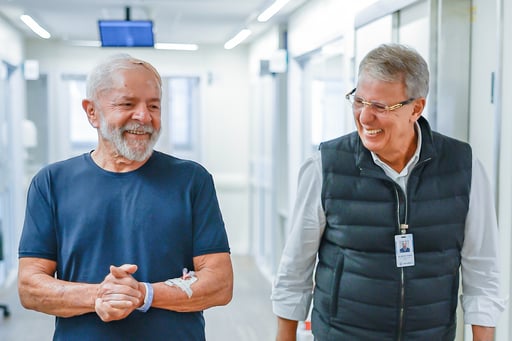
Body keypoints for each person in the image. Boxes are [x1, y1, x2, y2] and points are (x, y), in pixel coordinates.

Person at [271, 43, 504, 341]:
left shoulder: (463, 165)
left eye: (381, 107)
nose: (365, 118)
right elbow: (294, 271)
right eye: (359, 101)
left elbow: (483, 273)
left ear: (416, 108)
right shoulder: (324, 166)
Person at [17, 54, 233, 341]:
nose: (144, 117)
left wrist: (144, 293)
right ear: (91, 111)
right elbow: (30, 287)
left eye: (153, 106)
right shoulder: (52, 183)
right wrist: (99, 295)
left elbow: (220, 283)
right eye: (127, 104)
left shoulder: (192, 180)